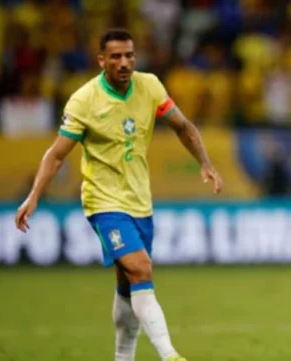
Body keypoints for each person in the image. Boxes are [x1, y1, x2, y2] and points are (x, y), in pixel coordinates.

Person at [14, 29, 223, 361]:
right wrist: (34, 196)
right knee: (141, 268)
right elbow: (56, 155)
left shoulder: (150, 86)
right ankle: (170, 355)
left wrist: (206, 163)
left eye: (129, 56)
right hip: (103, 202)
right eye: (116, 57)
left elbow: (183, 126)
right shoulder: (84, 100)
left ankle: (122, 358)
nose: (124, 63)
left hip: (140, 201)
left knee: (128, 284)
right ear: (102, 60)